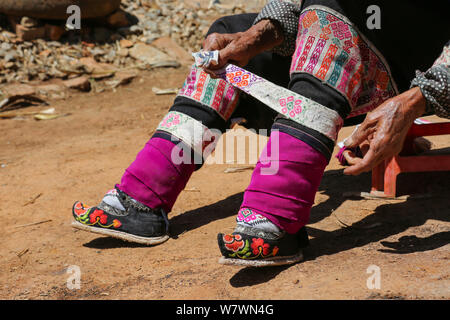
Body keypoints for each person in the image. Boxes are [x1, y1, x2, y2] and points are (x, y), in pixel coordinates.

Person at [72, 0, 450, 266]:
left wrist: (415, 100)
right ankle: (142, 200)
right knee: (227, 36)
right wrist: (254, 38)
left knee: (328, 18)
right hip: (348, 34)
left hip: (421, 63)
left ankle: (276, 219)